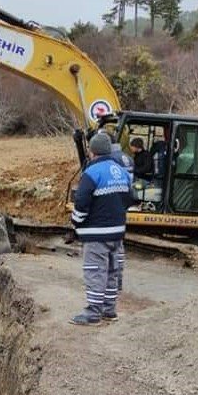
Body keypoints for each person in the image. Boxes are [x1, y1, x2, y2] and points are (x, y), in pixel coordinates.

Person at [70, 132, 132, 325]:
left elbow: (81, 202)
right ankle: (109, 310)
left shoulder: (92, 173)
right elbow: (130, 198)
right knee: (113, 271)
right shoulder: (121, 170)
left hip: (96, 234)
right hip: (117, 233)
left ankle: (93, 313)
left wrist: (76, 221)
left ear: (92, 151)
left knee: (95, 270)